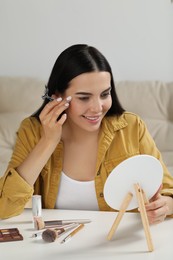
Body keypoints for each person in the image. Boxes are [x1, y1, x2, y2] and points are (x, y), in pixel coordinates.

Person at [0, 44, 173, 223]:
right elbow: (5, 206)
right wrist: (48, 141)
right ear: (57, 96)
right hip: (57, 245)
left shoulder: (131, 127)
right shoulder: (32, 131)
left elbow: (168, 192)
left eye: (105, 94)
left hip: (118, 243)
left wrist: (164, 206)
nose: (97, 108)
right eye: (84, 97)